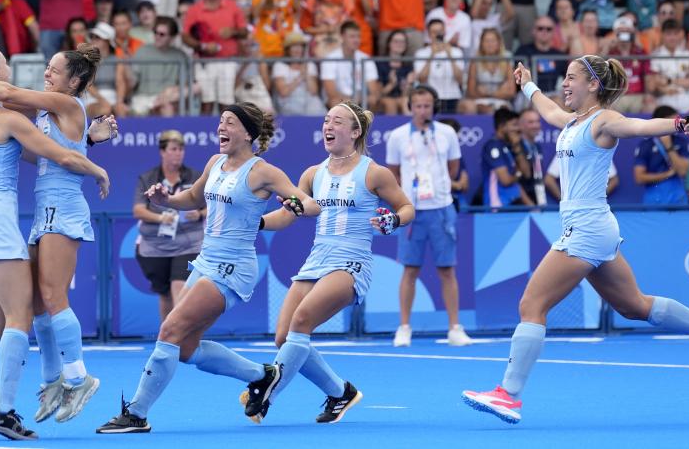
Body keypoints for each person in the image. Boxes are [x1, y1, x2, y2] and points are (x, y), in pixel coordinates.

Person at [461, 56, 689, 425]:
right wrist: (526, 84)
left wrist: (676, 124)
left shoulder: (604, 120)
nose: (564, 84)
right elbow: (546, 109)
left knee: (532, 304)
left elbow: (639, 126)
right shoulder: (571, 121)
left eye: (571, 78)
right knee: (635, 306)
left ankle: (509, 395)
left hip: (588, 228)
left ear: (593, 85)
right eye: (563, 78)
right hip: (593, 227)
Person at [95, 102, 321, 434]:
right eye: (220, 122)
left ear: (247, 132)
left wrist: (297, 204)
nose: (221, 128)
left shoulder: (263, 172)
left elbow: (311, 204)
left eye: (229, 123)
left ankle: (137, 413)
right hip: (206, 261)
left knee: (170, 330)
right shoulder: (215, 162)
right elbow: (193, 198)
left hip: (233, 267)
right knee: (185, 347)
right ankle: (263, 375)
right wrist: (165, 201)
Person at [0, 45, 109, 440]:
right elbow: (53, 153)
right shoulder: (10, 114)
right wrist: (94, 165)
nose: (39, 72)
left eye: (52, 68)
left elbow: (45, 152)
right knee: (19, 315)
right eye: (6, 66)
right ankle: (6, 409)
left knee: (9, 315)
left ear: (74, 80)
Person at [241, 100, 415, 423]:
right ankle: (340, 392)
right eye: (325, 120)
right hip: (317, 258)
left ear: (354, 131)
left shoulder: (374, 172)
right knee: (283, 337)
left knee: (302, 320)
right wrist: (257, 223)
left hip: (352, 260)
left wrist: (393, 220)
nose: (328, 126)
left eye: (337, 121)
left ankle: (267, 391)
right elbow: (287, 214)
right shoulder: (312, 174)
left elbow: (407, 208)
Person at [385, 85, 470, 348]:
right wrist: (406, 199)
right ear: (411, 107)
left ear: (434, 107)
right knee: (410, 270)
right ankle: (404, 328)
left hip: (442, 208)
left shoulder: (447, 134)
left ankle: (455, 328)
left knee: (447, 269)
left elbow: (454, 168)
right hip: (412, 211)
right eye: (418, 106)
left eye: (427, 106)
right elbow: (393, 174)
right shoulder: (397, 136)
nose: (423, 110)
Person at [133, 130, 205, 320]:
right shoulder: (147, 178)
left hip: (189, 244)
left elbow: (212, 207)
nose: (178, 153)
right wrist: (160, 218)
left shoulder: (195, 177)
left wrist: (199, 213)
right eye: (173, 149)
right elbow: (138, 210)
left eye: (181, 149)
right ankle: (167, 337)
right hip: (155, 246)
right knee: (165, 293)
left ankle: (181, 334)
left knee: (179, 286)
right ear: (162, 152)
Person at [633, 105, 689, 204]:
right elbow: (639, 178)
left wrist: (668, 146)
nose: (679, 124)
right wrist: (666, 175)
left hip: (678, 197)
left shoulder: (682, 142)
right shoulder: (646, 145)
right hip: (654, 198)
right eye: (675, 121)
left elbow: (683, 172)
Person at [479, 108, 534, 207]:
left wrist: (517, 147)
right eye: (514, 125)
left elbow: (527, 174)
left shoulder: (513, 145)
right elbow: (506, 181)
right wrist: (518, 172)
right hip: (497, 205)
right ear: (501, 127)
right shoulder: (493, 146)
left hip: (513, 203)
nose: (518, 129)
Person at [272, 32, 325, 115]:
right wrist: (300, 76)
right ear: (288, 49)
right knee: (296, 110)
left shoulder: (309, 64)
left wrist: (306, 74)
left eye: (300, 46)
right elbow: (284, 92)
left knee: (319, 110)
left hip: (309, 99)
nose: (297, 49)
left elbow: (314, 91)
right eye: (294, 46)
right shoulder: (279, 65)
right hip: (289, 100)